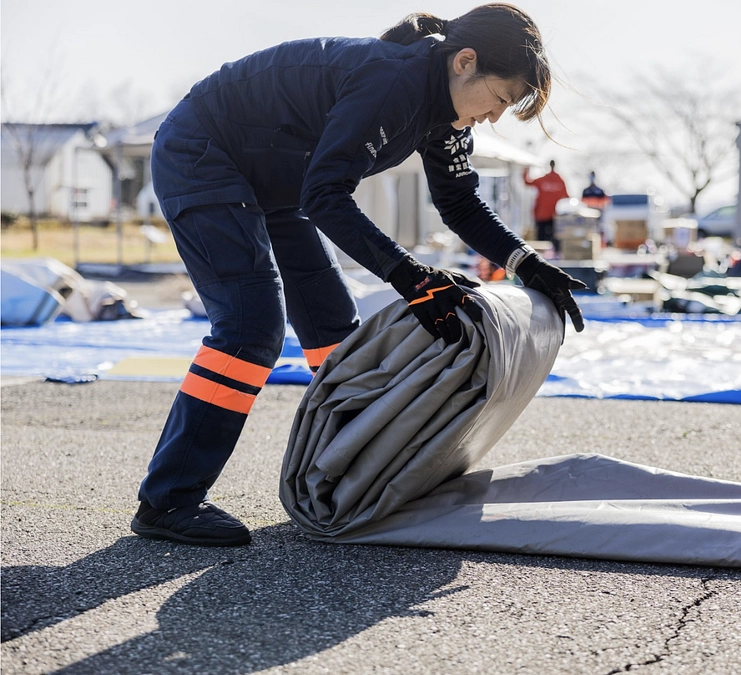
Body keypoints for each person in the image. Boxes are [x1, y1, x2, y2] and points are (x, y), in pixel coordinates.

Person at [131, 3, 587, 547]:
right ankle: (168, 500)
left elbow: (460, 204)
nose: (493, 117)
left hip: (279, 182)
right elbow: (326, 196)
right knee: (250, 328)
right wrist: (412, 277)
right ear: (465, 61)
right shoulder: (392, 81)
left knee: (335, 332)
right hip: (203, 151)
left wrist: (526, 262)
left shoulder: (446, 114)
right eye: (500, 100)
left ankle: (353, 477)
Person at [523, 159, 569, 249]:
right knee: (553, 237)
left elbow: (527, 182)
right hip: (553, 215)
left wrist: (526, 170)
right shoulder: (559, 180)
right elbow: (567, 197)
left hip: (543, 214)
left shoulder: (544, 179)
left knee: (542, 238)